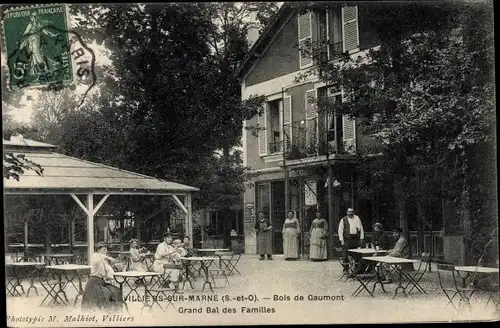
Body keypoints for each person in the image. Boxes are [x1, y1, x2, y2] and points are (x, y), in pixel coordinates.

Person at [81, 242, 123, 312]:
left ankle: (115, 312)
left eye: (106, 250)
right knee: (107, 294)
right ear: (98, 250)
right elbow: (100, 257)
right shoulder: (95, 256)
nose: (106, 251)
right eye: (104, 250)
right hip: (94, 283)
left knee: (117, 291)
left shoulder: (104, 261)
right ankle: (106, 312)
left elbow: (109, 272)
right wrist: (109, 258)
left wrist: (112, 274)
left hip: (101, 282)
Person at [338, 208, 365, 272]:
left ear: (354, 212)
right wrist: (342, 241)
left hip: (355, 239)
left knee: (356, 254)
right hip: (347, 239)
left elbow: (361, 228)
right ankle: (346, 269)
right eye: (349, 212)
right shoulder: (343, 219)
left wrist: (361, 238)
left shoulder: (357, 218)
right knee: (345, 255)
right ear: (347, 212)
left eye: (352, 212)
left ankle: (357, 269)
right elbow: (340, 230)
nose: (350, 213)